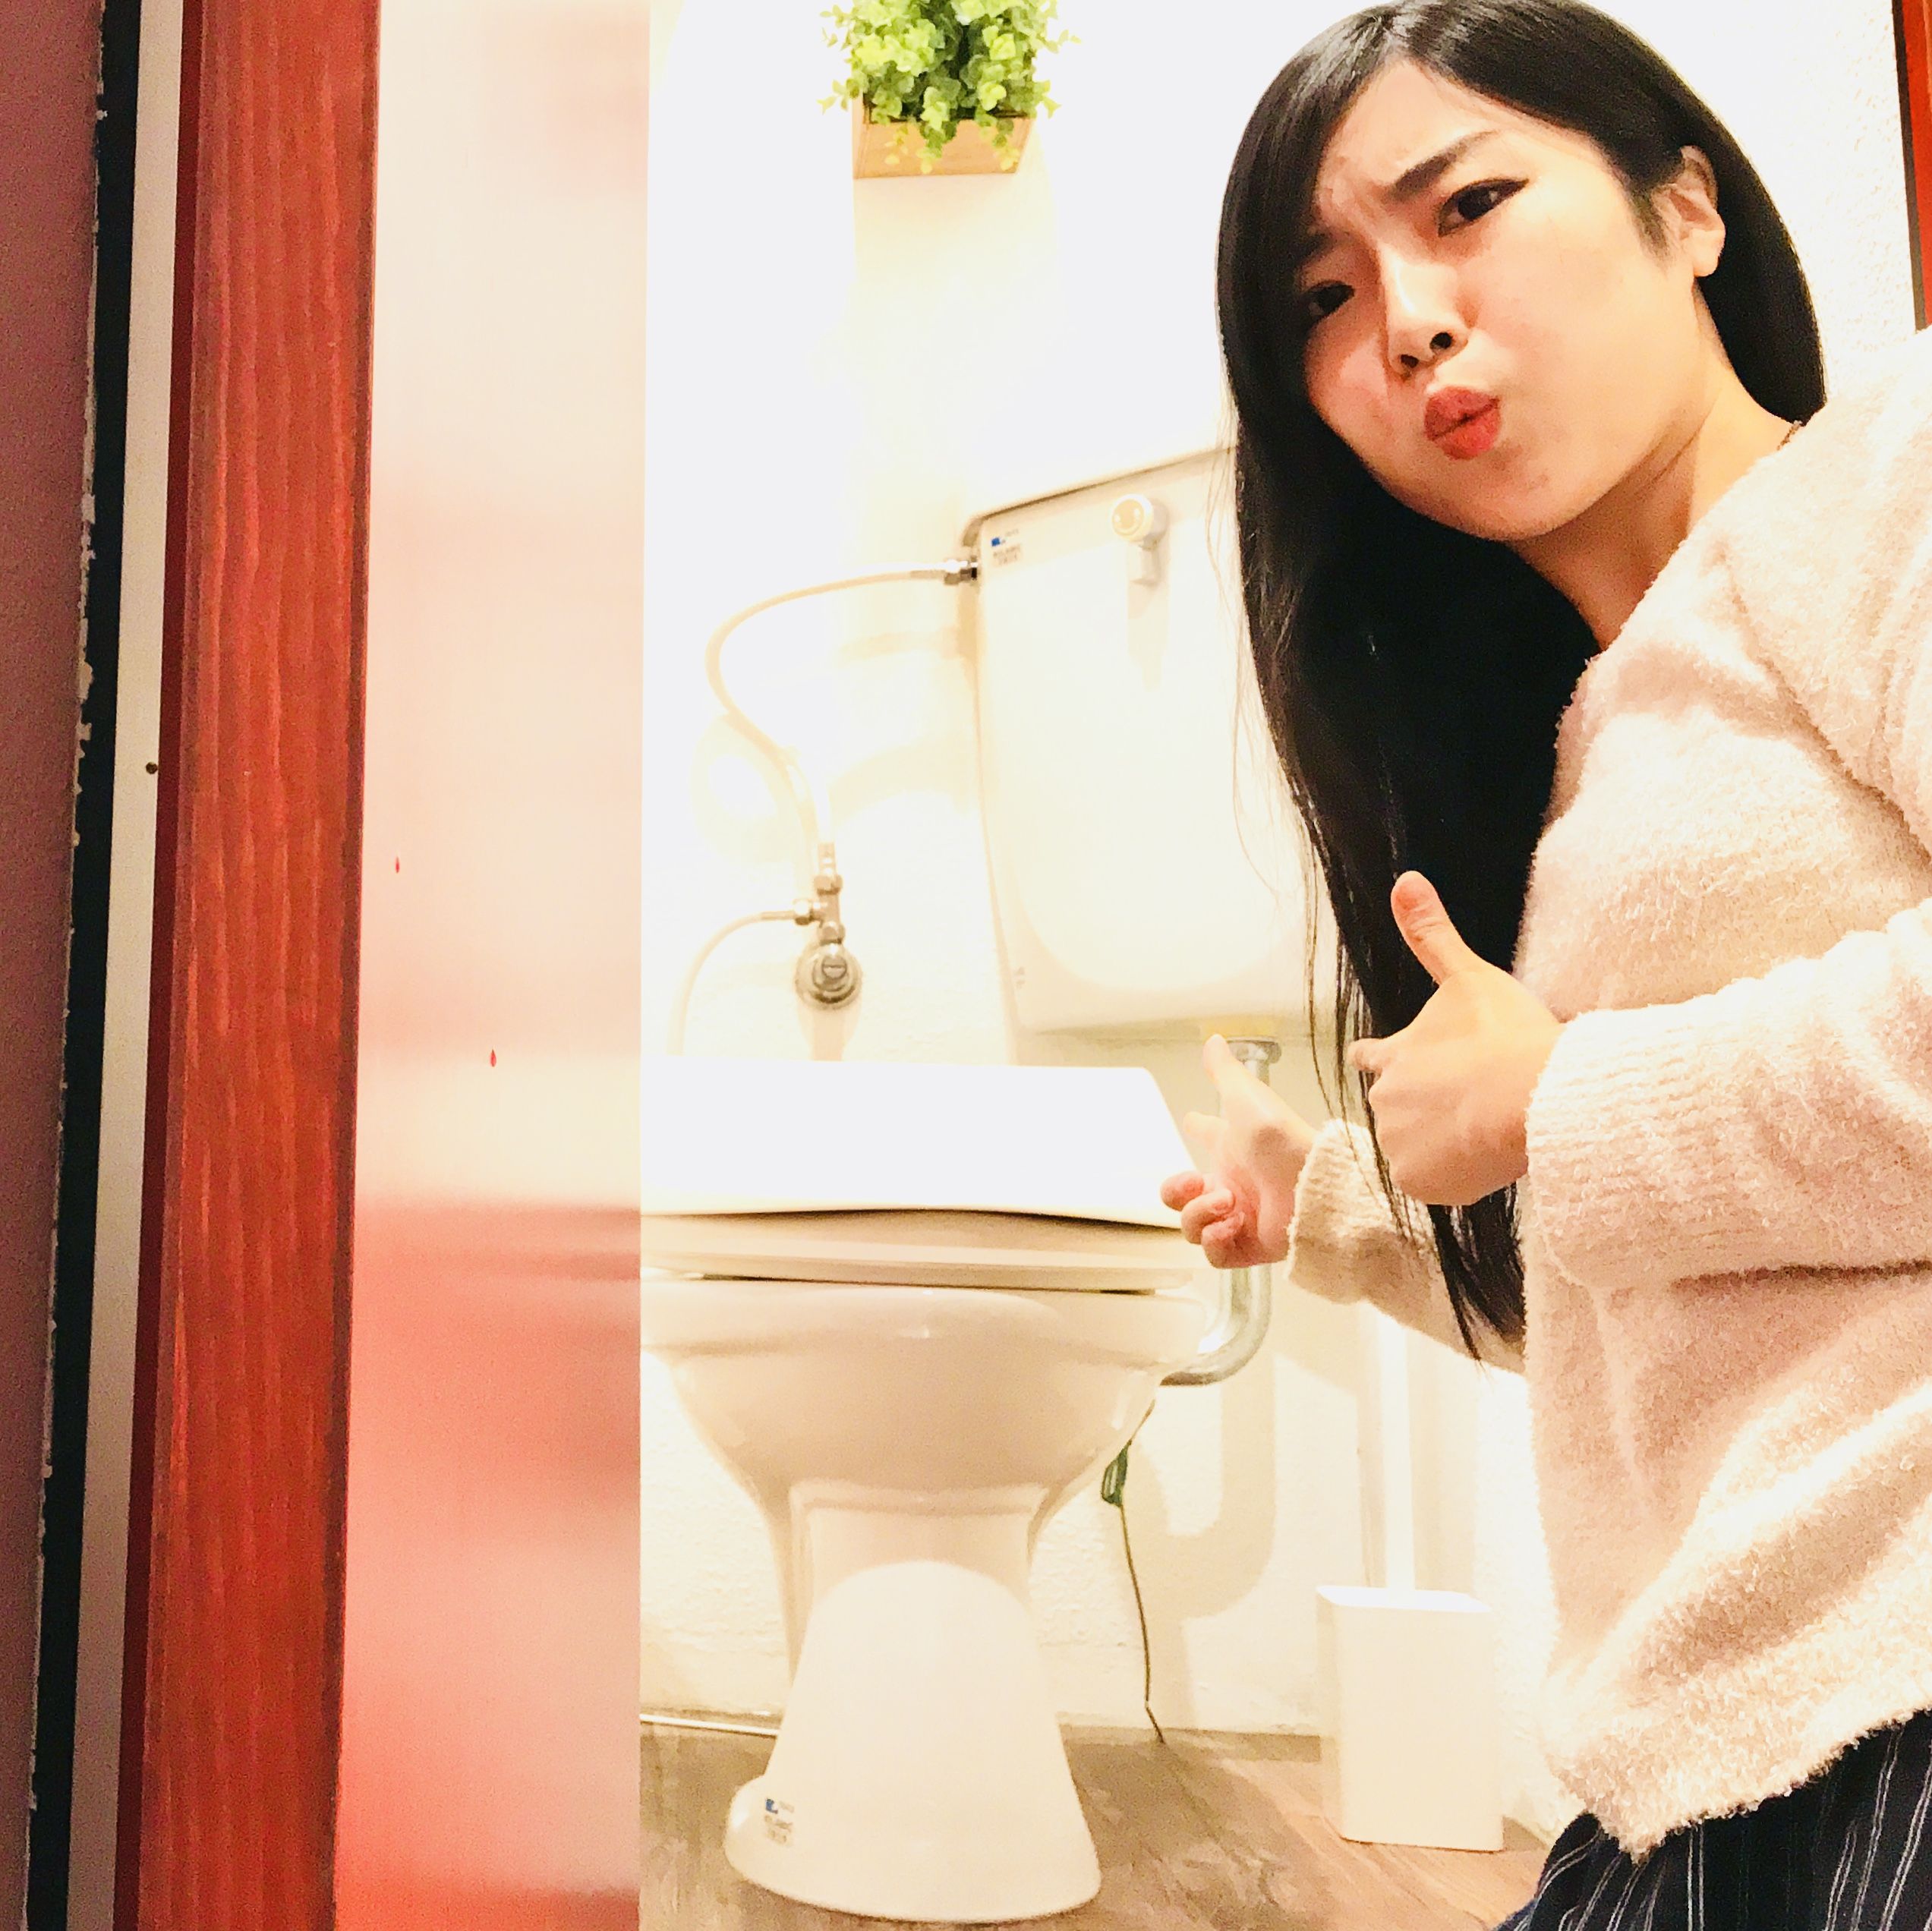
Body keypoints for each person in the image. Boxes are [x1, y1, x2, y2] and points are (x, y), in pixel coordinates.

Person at [1158, 2, 1932, 1923]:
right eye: (1323, 297)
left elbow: (1608, 1140)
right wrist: (1340, 1206)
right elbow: (1686, 1301)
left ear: (1689, 208)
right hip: (1725, 1726)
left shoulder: (1888, 474)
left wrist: (1559, 1102)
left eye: (1467, 205)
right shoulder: (1589, 749)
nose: (1406, 322)